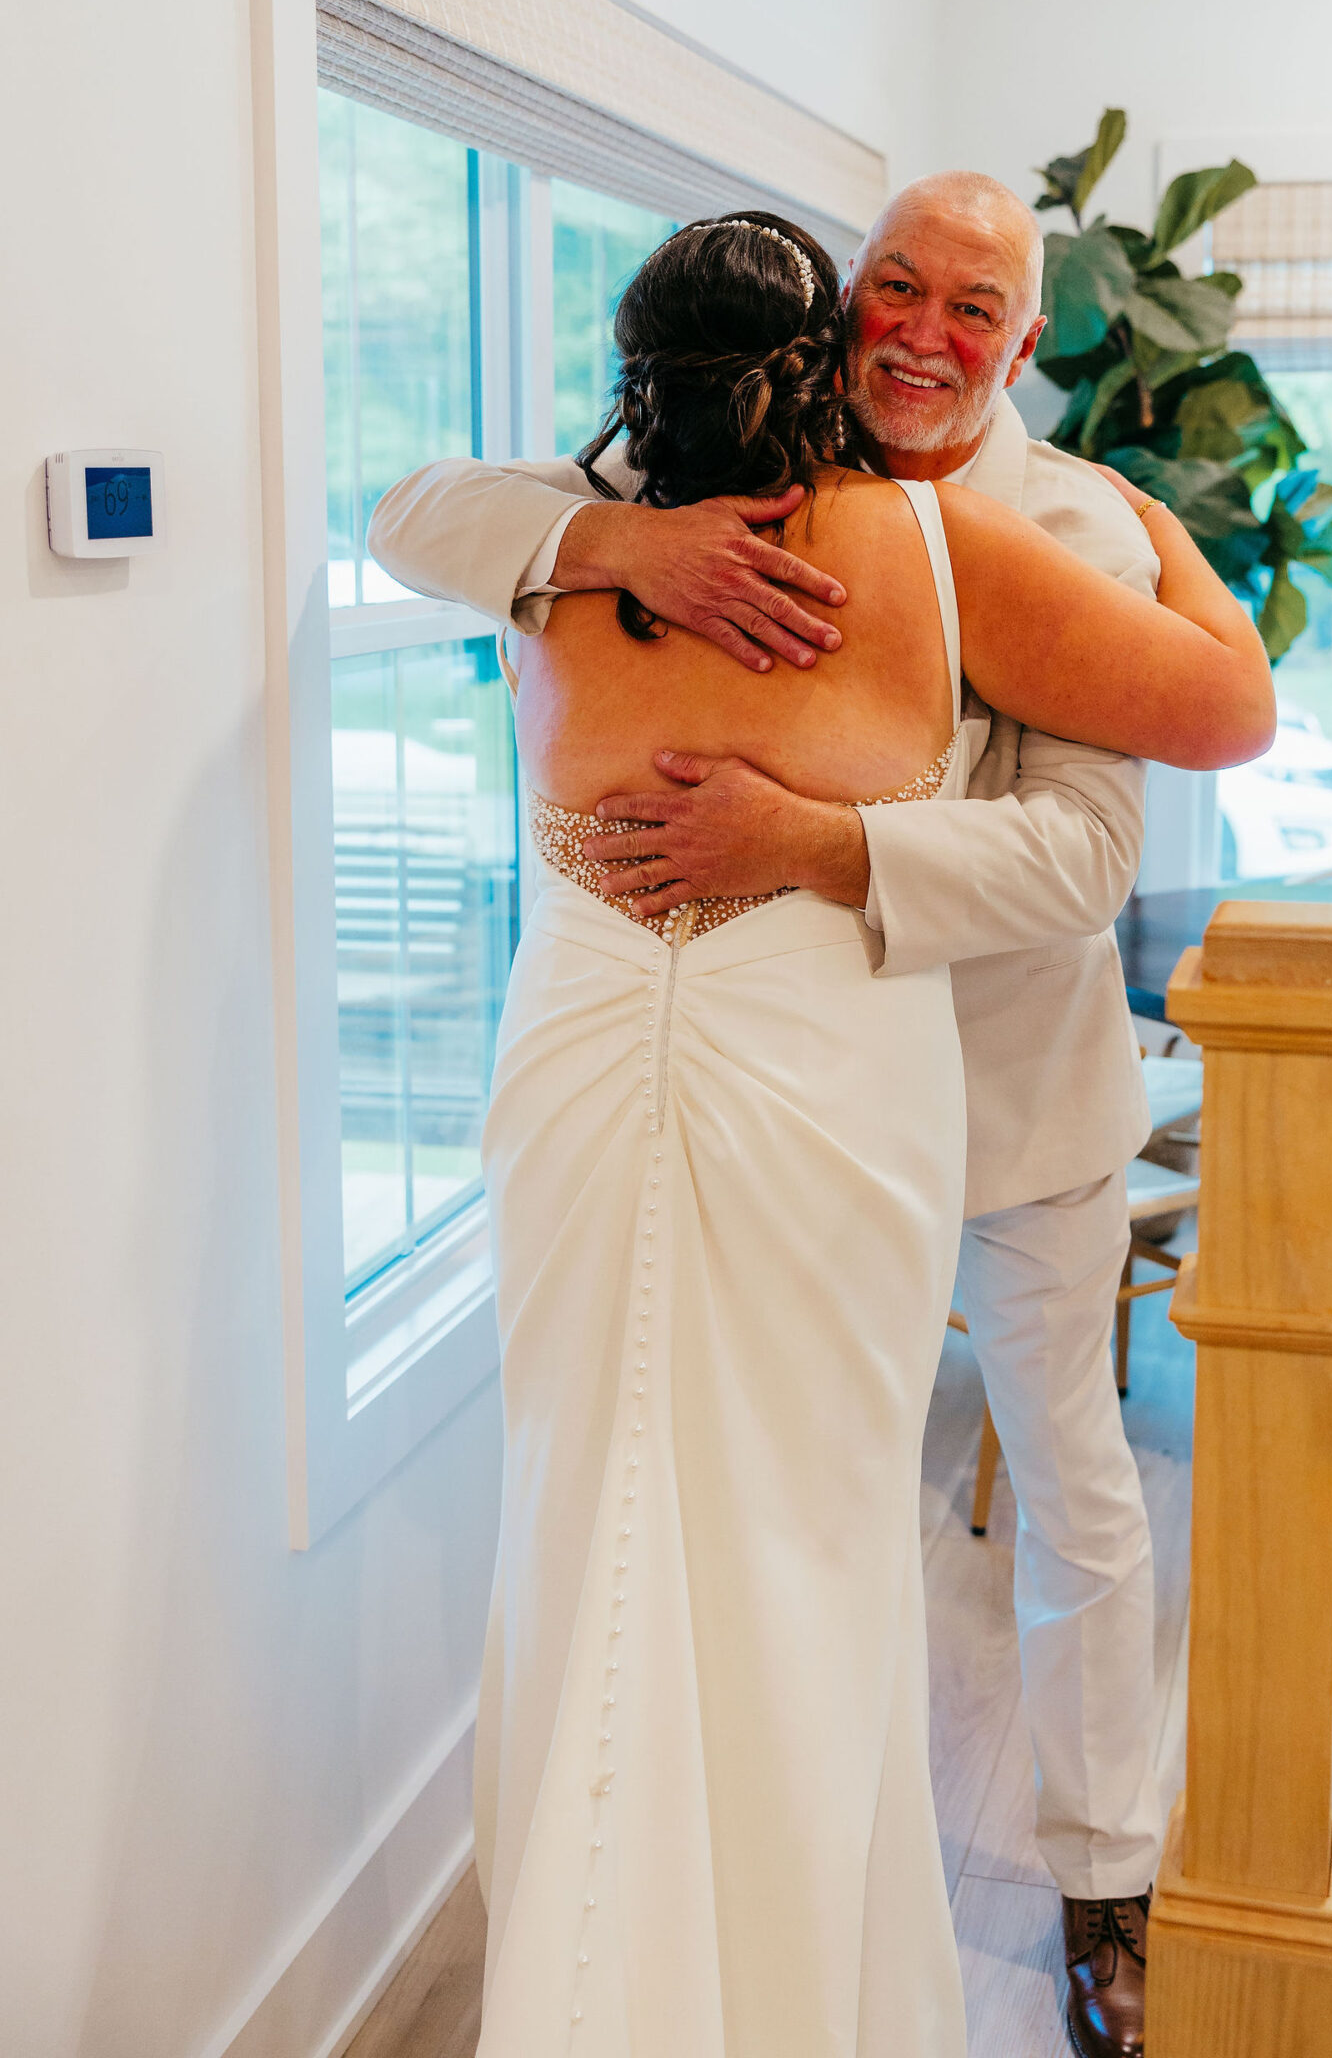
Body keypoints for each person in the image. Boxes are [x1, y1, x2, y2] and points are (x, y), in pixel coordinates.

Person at [369, 180, 1274, 2058]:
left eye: (978, 306)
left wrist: (811, 837)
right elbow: (413, 515)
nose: (931, 330)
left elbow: (1105, 834)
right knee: (729, 1501)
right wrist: (633, 536)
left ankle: (1105, 1876)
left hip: (999, 1094)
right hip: (777, 1079)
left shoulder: (1065, 524)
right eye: (898, 288)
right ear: (842, 317)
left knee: (1059, 1484)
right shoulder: (612, 528)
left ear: (1026, 343)